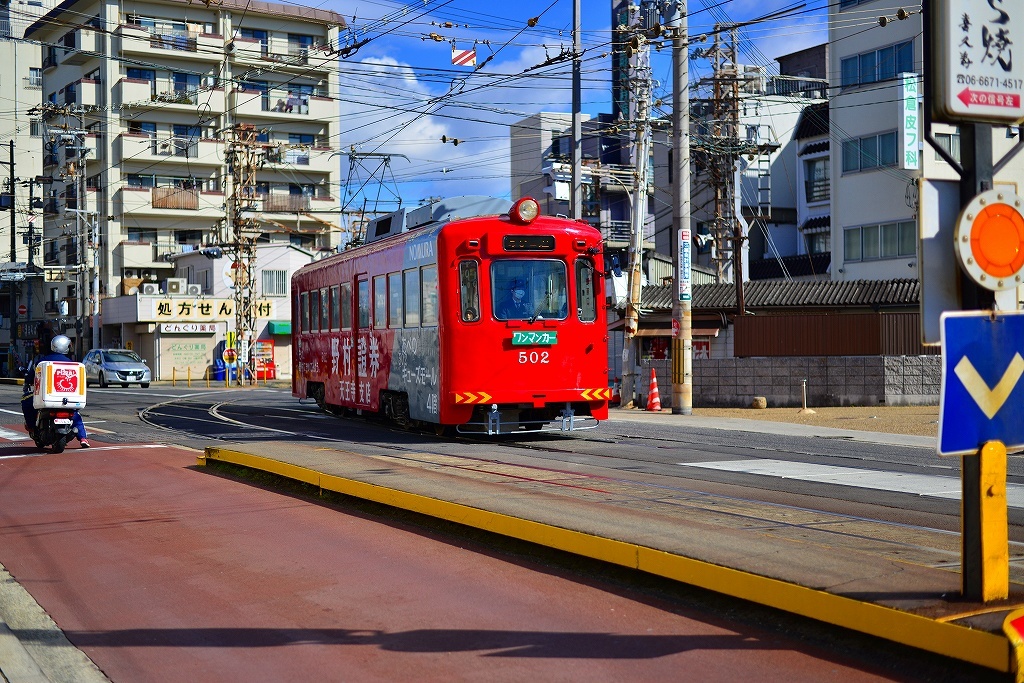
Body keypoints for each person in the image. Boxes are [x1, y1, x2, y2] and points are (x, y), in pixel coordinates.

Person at [21, 334, 90, 448]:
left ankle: (32, 427)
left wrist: (28, 379)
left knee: (26, 401)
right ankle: (83, 438)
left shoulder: (42, 361)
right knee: (75, 414)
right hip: (68, 399)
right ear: (66, 348)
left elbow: (31, 377)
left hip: (47, 398)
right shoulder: (73, 364)